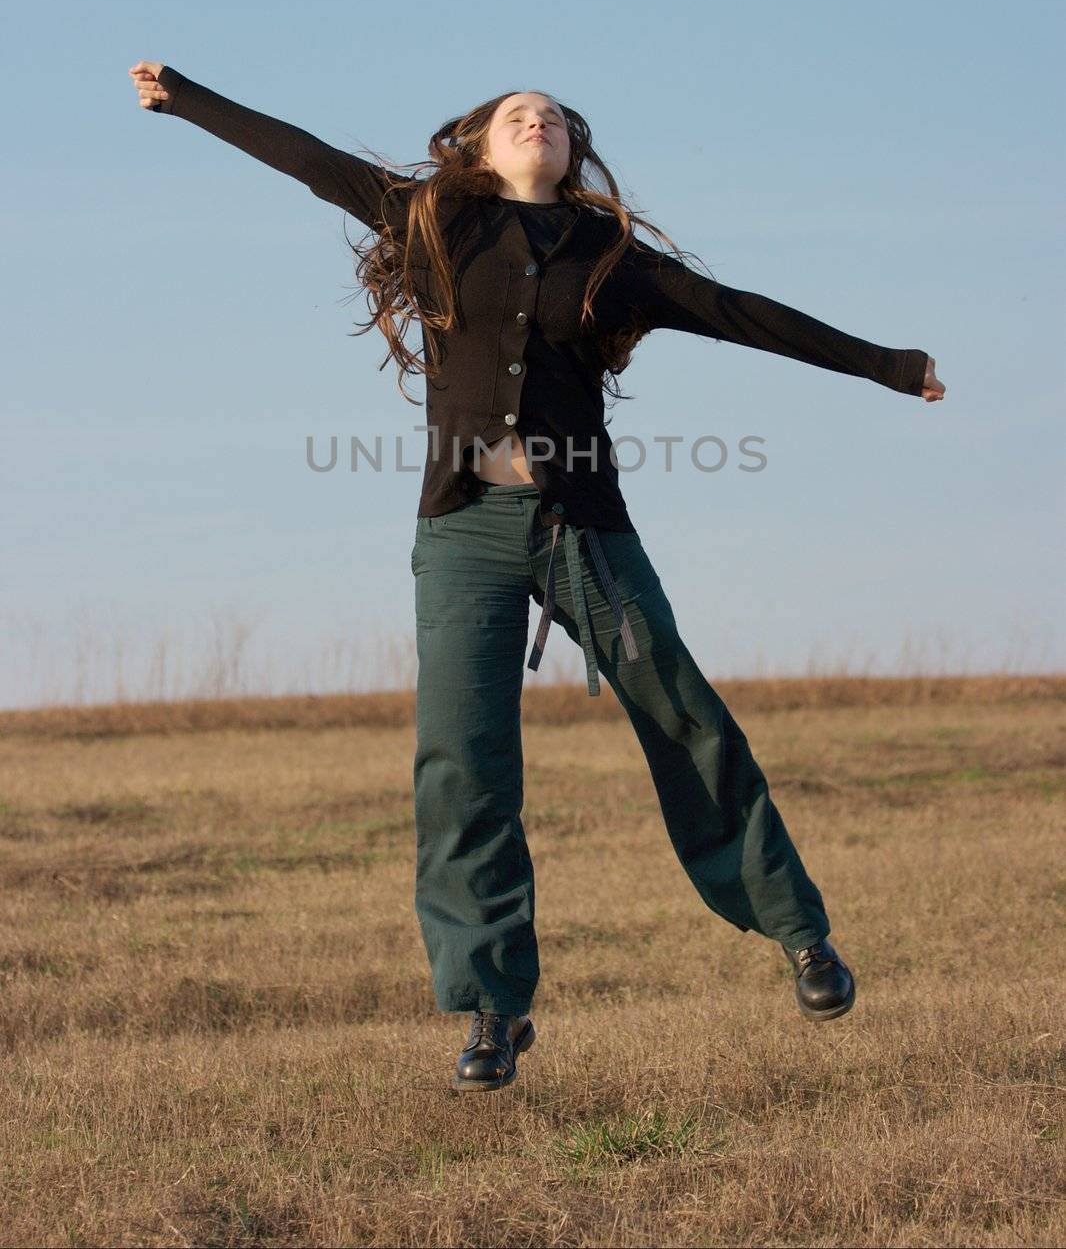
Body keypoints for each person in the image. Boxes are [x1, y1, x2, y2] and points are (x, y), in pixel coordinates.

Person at [129, 59, 946, 1094]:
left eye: (556, 116)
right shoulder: (428, 219)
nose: (539, 118)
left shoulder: (609, 257)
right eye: (518, 112)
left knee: (687, 718)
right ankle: (491, 1007)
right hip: (463, 528)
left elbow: (740, 311)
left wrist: (887, 364)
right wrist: (186, 97)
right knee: (462, 764)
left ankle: (799, 934)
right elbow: (306, 158)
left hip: (583, 529)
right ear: (477, 145)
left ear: (572, 152)